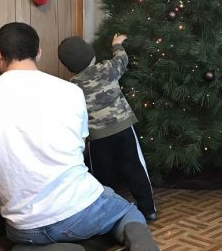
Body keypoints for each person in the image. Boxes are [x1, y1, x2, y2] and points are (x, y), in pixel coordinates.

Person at [0, 22, 162, 251]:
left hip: (23, 227)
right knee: (128, 212)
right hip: (83, 211)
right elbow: (80, 143)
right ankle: (136, 238)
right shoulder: (70, 92)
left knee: (19, 243)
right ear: (39, 53)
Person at [57, 33, 156, 222]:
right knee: (135, 167)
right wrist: (117, 44)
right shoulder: (107, 68)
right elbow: (122, 59)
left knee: (102, 176)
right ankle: (148, 208)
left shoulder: (72, 86)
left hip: (97, 137)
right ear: (91, 55)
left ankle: (106, 213)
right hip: (123, 128)